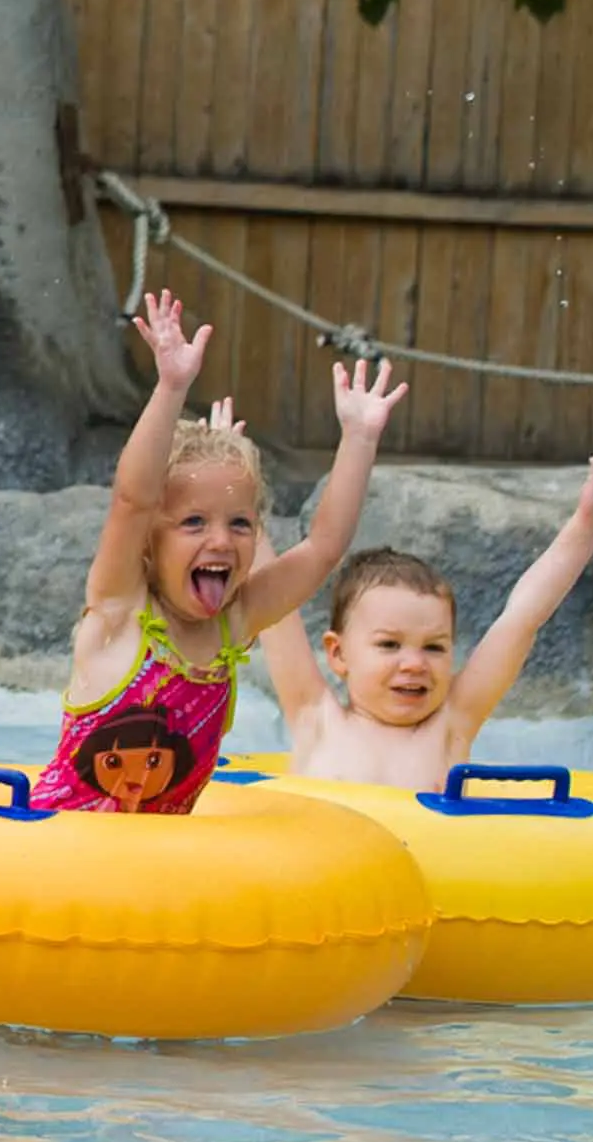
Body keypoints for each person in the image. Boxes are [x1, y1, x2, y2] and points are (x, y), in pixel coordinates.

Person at [50, 290, 406, 815]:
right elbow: (132, 499)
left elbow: (324, 546)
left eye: (240, 523)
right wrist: (172, 387)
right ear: (150, 540)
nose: (220, 540)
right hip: (60, 852)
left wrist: (358, 438)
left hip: (158, 863)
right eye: (193, 522)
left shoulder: (235, 621)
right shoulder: (118, 610)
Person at [258, 427, 593, 788]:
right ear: (338, 654)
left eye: (434, 647)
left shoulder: (451, 725)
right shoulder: (315, 717)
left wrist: (587, 525)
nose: (414, 664)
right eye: (389, 644)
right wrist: (235, 495)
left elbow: (522, 618)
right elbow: (271, 602)